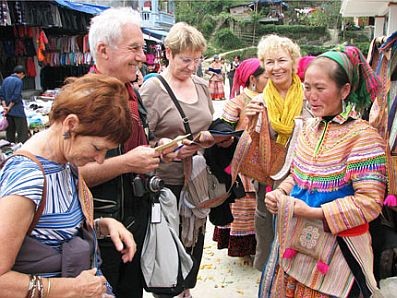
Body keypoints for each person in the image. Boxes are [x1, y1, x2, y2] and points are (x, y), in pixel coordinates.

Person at [260, 45, 386, 297]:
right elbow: (297, 176)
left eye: (320, 88)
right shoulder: (306, 128)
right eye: (307, 87)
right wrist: (280, 194)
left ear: (345, 90)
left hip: (336, 254)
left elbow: (370, 202)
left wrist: (315, 213)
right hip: (294, 247)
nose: (311, 96)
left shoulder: (363, 137)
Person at [0, 73, 137, 297]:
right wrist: (72, 288)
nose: (100, 159)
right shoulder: (28, 179)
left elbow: (50, 232)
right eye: (96, 148)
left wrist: (103, 225)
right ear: (71, 124)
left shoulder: (64, 163)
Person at [81, 7, 175, 298]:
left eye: (142, 48)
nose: (142, 57)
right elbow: (74, 174)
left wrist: (158, 152)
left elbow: (134, 148)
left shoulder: (130, 93)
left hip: (135, 221)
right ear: (103, 51)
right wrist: (127, 163)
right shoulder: (86, 101)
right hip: (103, 232)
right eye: (133, 48)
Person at [140, 22, 215, 298]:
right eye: (186, 59)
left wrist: (214, 137)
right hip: (167, 184)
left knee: (193, 245)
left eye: (197, 59)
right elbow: (140, 140)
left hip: (196, 182)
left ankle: (185, 291)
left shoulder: (202, 85)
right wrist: (163, 147)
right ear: (168, 53)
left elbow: (209, 123)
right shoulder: (152, 90)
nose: (192, 66)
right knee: (169, 254)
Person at [244, 34, 312, 271]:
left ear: (294, 62)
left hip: (305, 177)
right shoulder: (260, 101)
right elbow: (251, 146)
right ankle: (268, 278)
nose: (276, 68)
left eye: (281, 60)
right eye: (269, 62)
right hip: (270, 179)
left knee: (300, 231)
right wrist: (251, 123)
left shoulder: (310, 95)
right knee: (267, 230)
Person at [213, 58, 268, 261]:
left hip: (267, 164)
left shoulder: (273, 100)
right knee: (245, 207)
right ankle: (247, 250)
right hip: (243, 167)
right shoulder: (236, 103)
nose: (270, 79)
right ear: (253, 79)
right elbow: (222, 135)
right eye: (266, 76)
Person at [0, 65, 29, 144]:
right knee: (22, 133)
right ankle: (22, 149)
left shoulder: (5, 80)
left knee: (10, 133)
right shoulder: (18, 81)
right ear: (21, 74)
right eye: (23, 75)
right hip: (17, 110)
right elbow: (15, 96)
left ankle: (9, 149)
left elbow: (1, 95)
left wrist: (5, 107)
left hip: (8, 112)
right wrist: (9, 107)